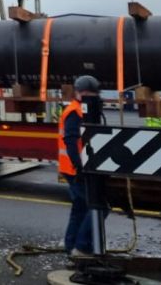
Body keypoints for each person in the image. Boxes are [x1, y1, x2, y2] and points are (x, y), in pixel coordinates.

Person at [60, 75, 99, 256]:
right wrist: (80, 168)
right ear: (77, 93)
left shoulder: (82, 109)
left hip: (75, 167)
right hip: (75, 168)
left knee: (80, 208)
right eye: (85, 94)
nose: (88, 97)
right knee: (99, 207)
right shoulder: (74, 112)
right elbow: (70, 141)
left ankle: (71, 245)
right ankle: (82, 246)